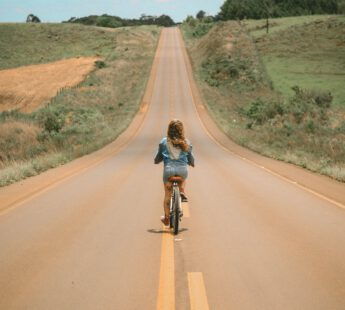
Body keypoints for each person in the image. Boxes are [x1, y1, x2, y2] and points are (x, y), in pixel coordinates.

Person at [154, 119, 195, 226]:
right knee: (184, 177)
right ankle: (182, 190)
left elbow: (158, 157)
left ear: (169, 130)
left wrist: (157, 161)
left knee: (167, 195)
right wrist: (192, 163)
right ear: (182, 130)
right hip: (182, 171)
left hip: (168, 171)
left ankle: (167, 218)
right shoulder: (187, 142)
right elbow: (191, 158)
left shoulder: (163, 142)